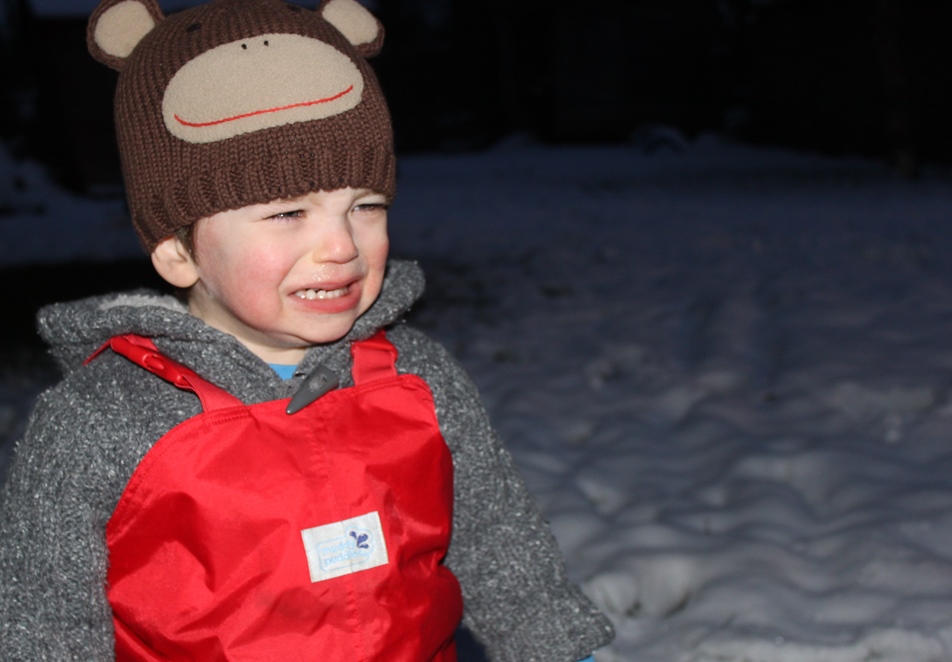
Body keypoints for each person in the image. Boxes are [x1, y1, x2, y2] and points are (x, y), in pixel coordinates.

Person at [0, 0, 613, 660]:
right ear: (178, 251)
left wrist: (560, 647)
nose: (342, 246)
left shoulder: (417, 381)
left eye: (365, 205)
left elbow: (503, 551)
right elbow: (45, 624)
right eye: (288, 213)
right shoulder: (100, 421)